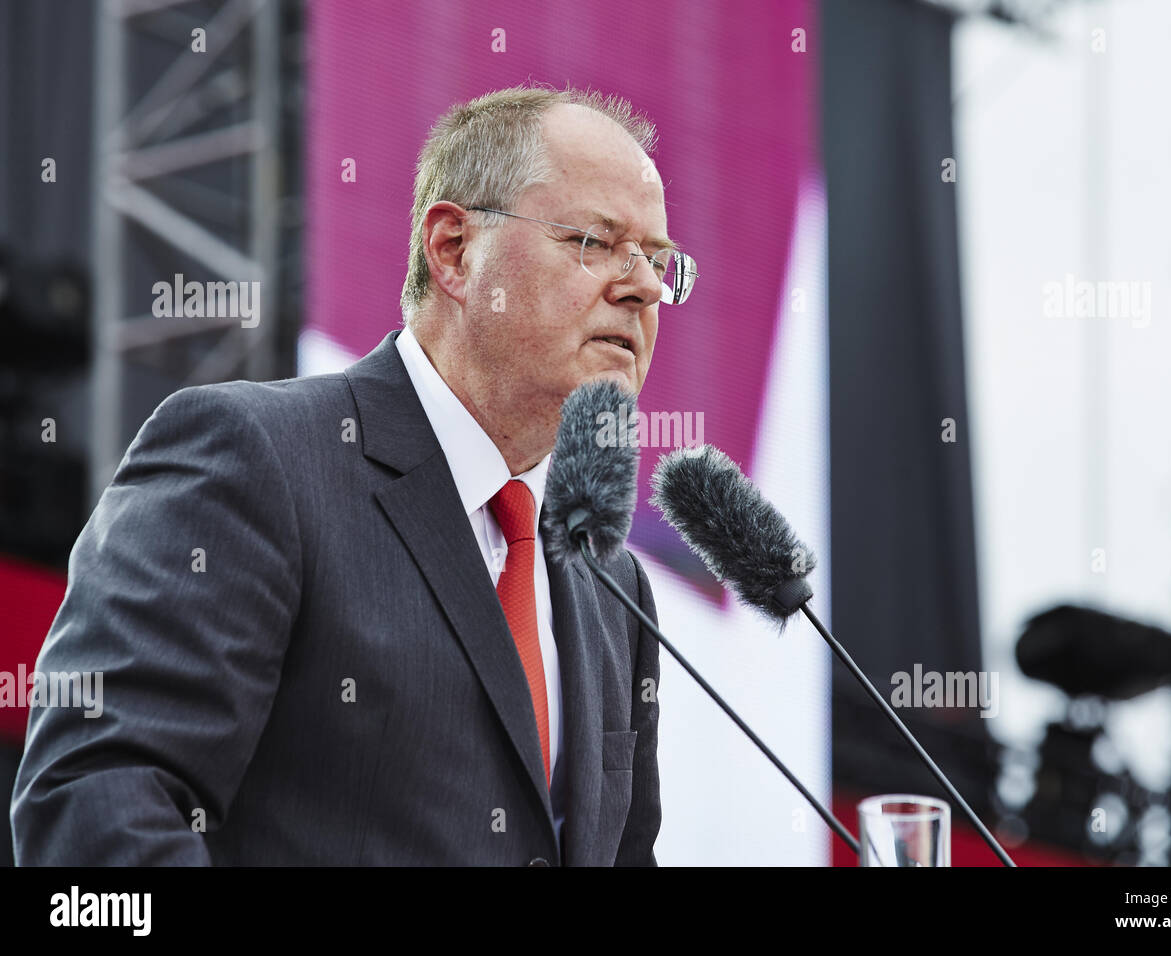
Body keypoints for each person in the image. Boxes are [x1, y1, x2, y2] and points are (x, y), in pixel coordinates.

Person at [11, 83, 696, 865]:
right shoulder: (257, 458)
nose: (642, 285)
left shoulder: (614, 585)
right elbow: (96, 805)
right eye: (595, 242)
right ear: (454, 251)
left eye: (659, 260)